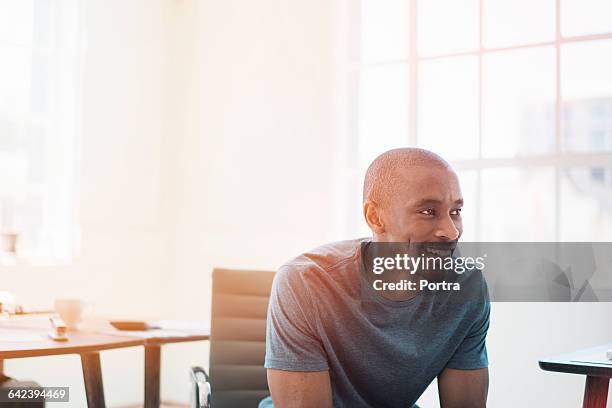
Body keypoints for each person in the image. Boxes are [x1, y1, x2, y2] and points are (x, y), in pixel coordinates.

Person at [261, 148, 490, 407]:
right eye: (428, 211)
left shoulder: (466, 288)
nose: (451, 232)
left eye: (455, 212)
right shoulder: (304, 283)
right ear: (375, 217)